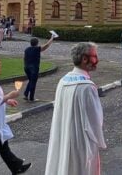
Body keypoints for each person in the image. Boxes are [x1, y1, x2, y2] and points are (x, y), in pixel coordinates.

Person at [45, 42, 106, 175]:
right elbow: (95, 121)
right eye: (95, 56)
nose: (97, 60)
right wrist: (97, 142)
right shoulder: (87, 87)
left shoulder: (63, 80)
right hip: (81, 144)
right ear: (85, 59)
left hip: (63, 137)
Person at [23, 36, 54, 101]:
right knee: (33, 82)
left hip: (26, 67)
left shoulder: (26, 49)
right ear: (37, 43)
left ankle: (26, 94)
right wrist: (52, 38)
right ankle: (31, 98)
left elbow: (24, 58)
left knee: (31, 81)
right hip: (34, 68)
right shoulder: (37, 49)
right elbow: (46, 45)